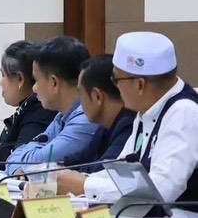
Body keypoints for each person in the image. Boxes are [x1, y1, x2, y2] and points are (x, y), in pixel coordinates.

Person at [75, 31, 198, 206]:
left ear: (139, 84)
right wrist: (78, 181)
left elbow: (161, 191)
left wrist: (85, 185)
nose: (115, 86)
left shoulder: (184, 112)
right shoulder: (146, 111)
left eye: (115, 79)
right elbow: (123, 171)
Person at [3, 35, 105, 176]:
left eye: (37, 80)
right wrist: (19, 170)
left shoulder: (85, 119)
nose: (34, 88)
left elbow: (43, 161)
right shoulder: (61, 116)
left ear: (54, 82)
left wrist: (22, 169)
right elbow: (15, 157)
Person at [65, 55, 137, 178]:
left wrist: (66, 173)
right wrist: (51, 167)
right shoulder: (105, 126)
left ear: (97, 96)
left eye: (80, 94)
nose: (78, 102)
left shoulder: (129, 125)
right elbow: (79, 159)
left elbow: (103, 169)